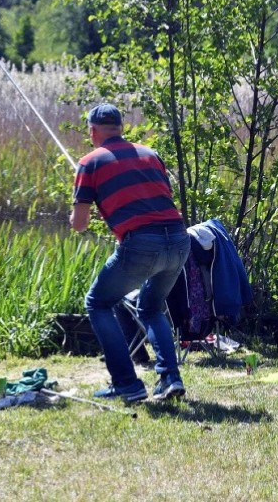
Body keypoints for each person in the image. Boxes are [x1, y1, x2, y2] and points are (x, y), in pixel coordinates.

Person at [70, 103, 190, 402]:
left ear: (92, 131)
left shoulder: (89, 163)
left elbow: (80, 225)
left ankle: (127, 383)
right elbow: (156, 199)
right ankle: (170, 378)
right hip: (178, 239)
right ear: (120, 128)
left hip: (141, 243)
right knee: (150, 307)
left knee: (98, 302)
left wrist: (83, 210)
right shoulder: (151, 154)